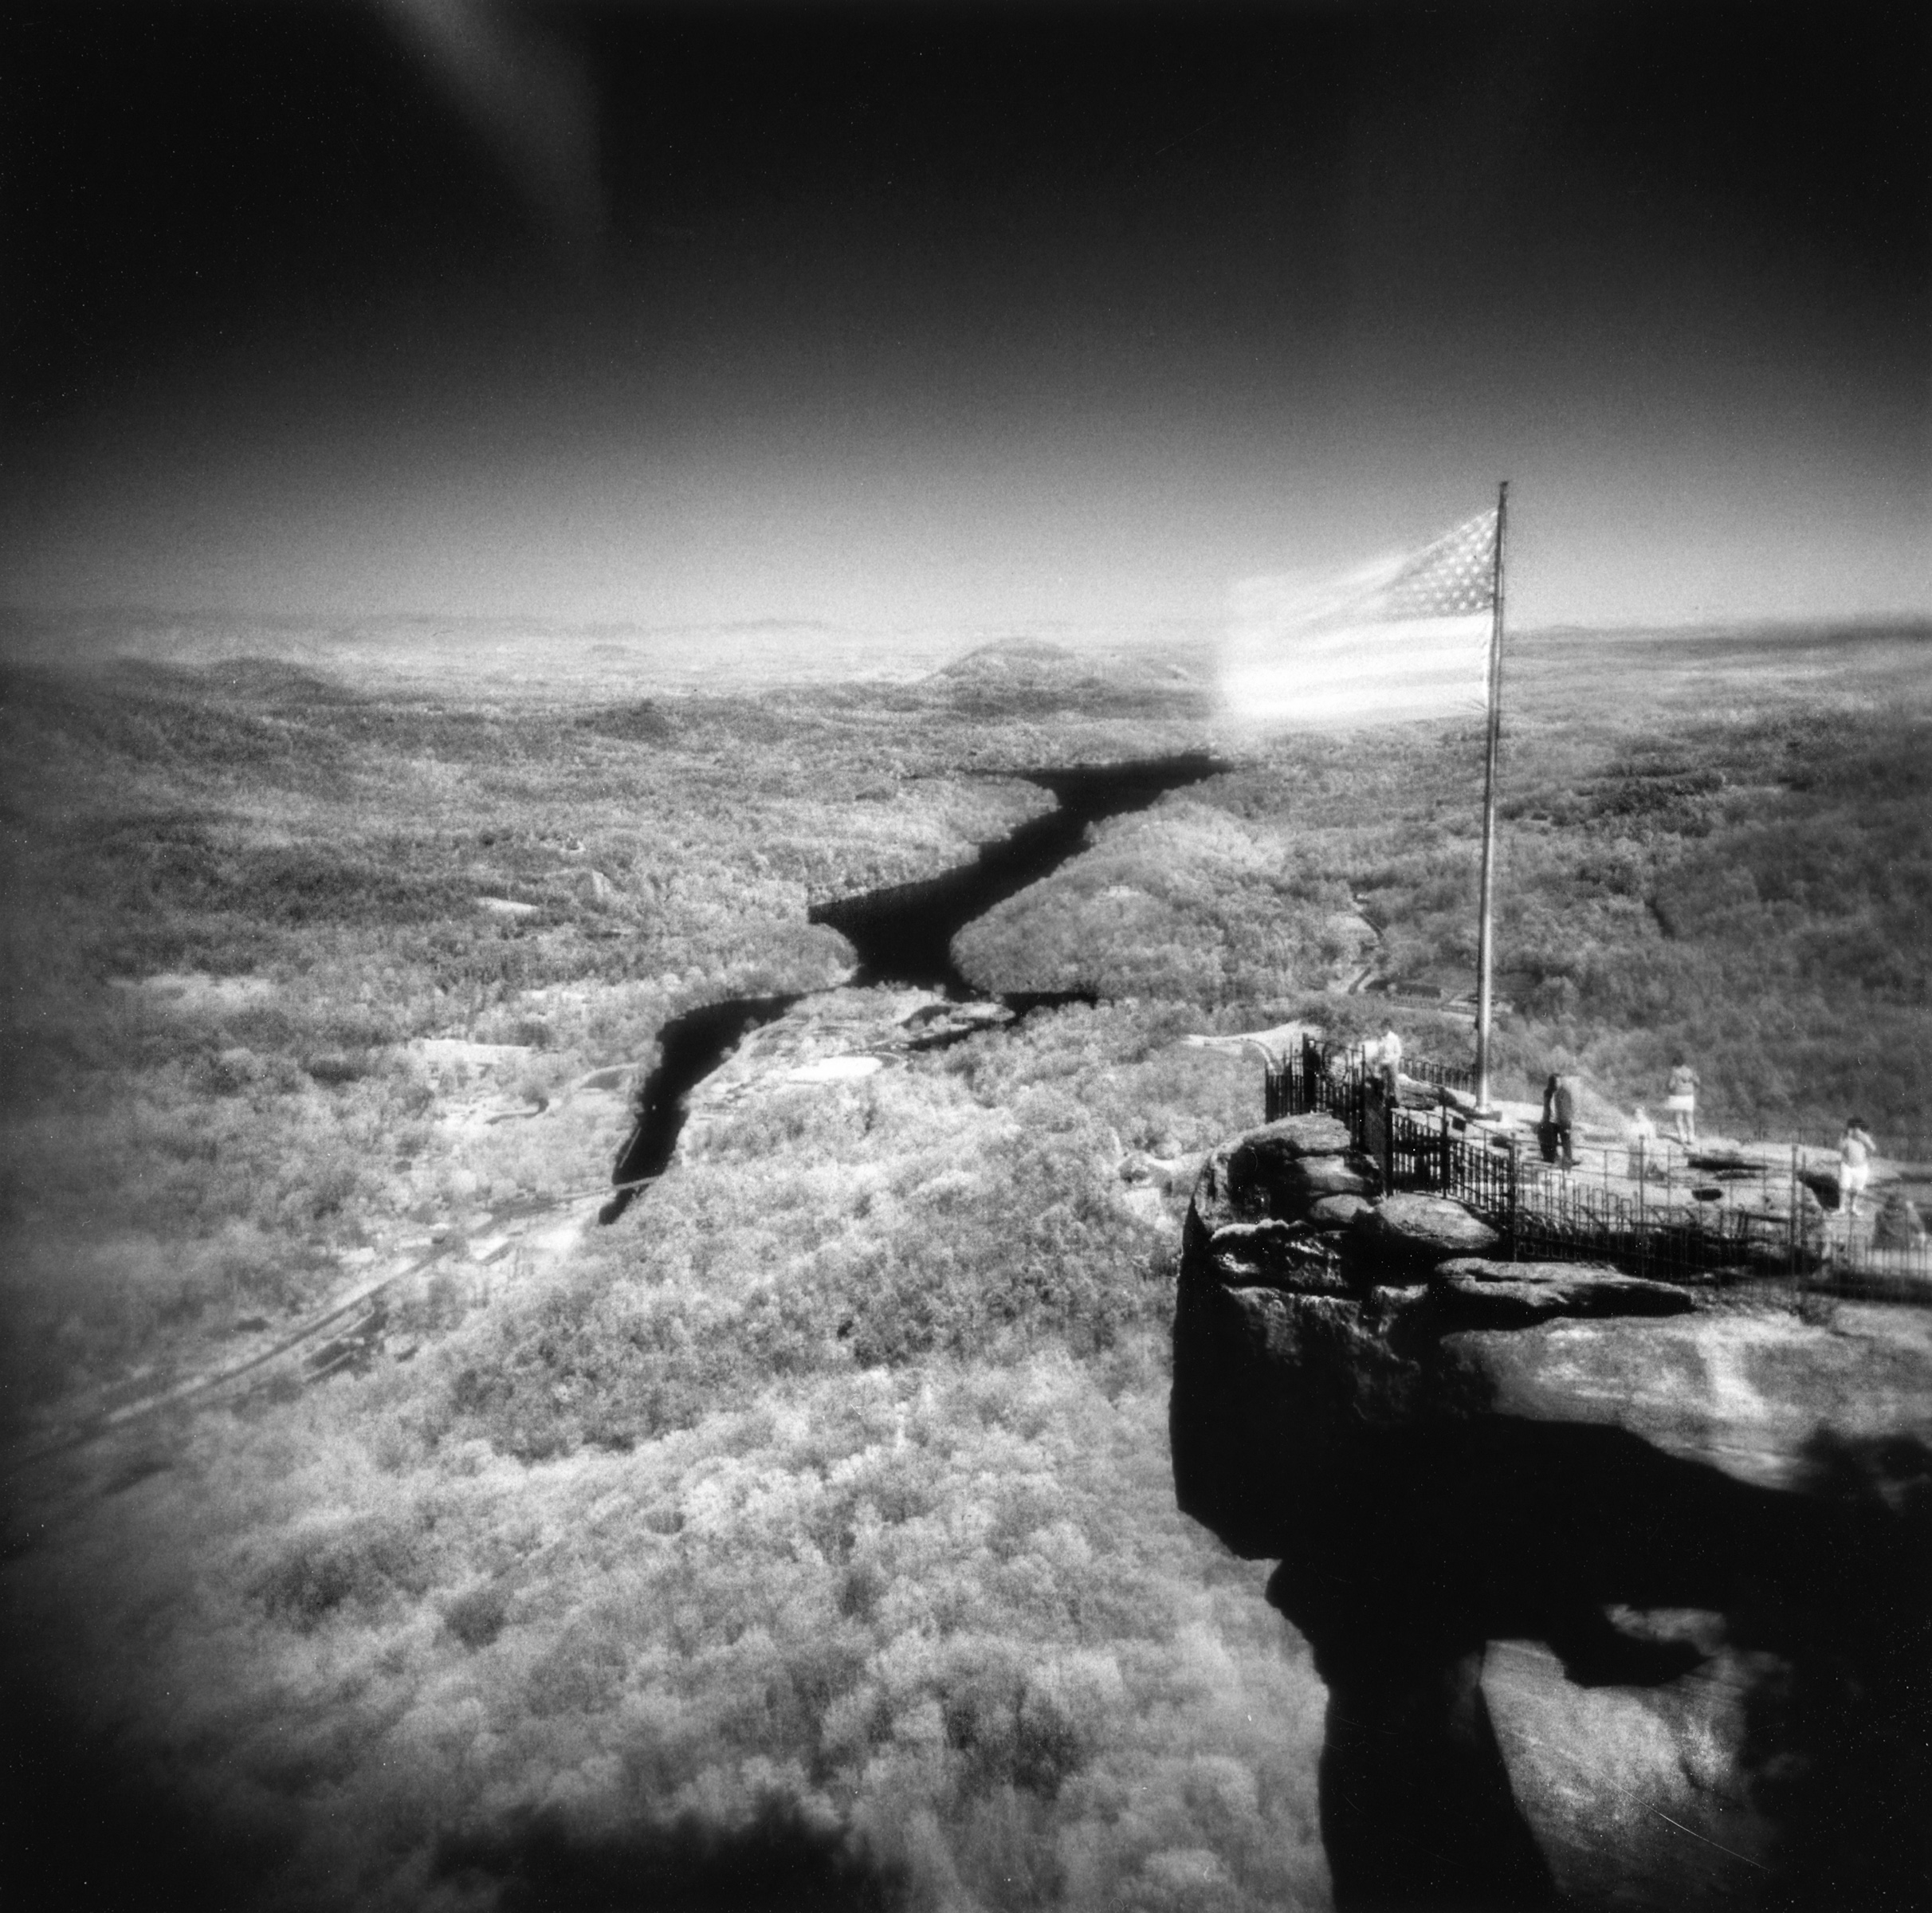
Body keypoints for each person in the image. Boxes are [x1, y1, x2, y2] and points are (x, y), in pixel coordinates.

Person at [1838, 1118, 1876, 1221]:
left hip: (1861, 1166)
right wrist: (1847, 1137)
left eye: (1858, 1128)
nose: (1856, 1130)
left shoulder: (1864, 1137)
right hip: (1847, 1165)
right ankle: (1842, 1208)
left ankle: (1853, 1207)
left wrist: (1865, 1141)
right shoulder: (1846, 1137)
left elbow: (1873, 1149)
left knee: (1857, 1188)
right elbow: (1840, 1148)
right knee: (1844, 1187)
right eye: (1854, 1127)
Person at [1664, 1059, 1698, 1144]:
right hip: (1689, 1097)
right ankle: (1691, 1138)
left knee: (1679, 1118)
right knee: (1689, 1118)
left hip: (1678, 1097)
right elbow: (1697, 1082)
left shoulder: (1675, 1072)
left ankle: (1682, 1139)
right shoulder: (1691, 1071)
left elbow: (1671, 1085)